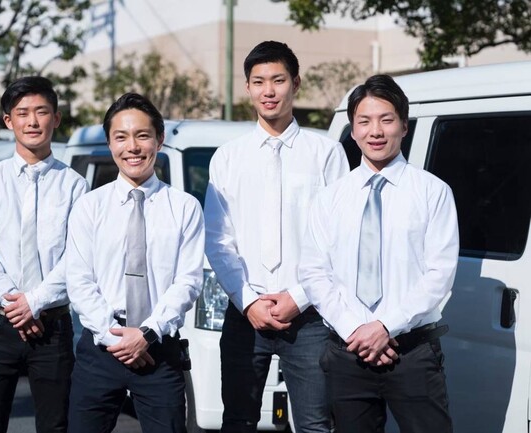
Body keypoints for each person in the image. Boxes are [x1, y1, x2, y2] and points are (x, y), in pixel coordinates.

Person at [299, 74, 459, 433]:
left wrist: (386, 326)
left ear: (404, 126)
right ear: (353, 130)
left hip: (412, 354)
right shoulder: (330, 198)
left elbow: (440, 274)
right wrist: (357, 329)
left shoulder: (433, 192)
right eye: (364, 121)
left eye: (386, 120)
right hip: (348, 352)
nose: (376, 131)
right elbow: (313, 272)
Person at [204, 40, 349, 433]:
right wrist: (249, 302)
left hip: (310, 316)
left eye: (278, 80)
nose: (268, 91)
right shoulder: (228, 157)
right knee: (238, 421)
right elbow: (218, 240)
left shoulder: (326, 153)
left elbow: (339, 239)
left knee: (315, 425)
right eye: (259, 82)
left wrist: (298, 298)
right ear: (248, 88)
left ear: (296, 84)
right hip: (244, 312)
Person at [65, 92, 204, 433]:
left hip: (159, 349)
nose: (132, 147)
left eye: (142, 136)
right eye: (121, 137)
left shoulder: (184, 207)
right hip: (100, 348)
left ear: (159, 139)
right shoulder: (89, 207)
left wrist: (147, 333)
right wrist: (115, 338)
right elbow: (79, 281)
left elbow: (188, 282)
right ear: (109, 143)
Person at [0, 76, 89, 433]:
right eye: (22, 113)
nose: (32, 121)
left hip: (52, 325)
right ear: (9, 121)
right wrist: (16, 306)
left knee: (55, 426)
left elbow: (77, 255)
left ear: (57, 118)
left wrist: (34, 302)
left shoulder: (75, 185)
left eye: (41, 112)